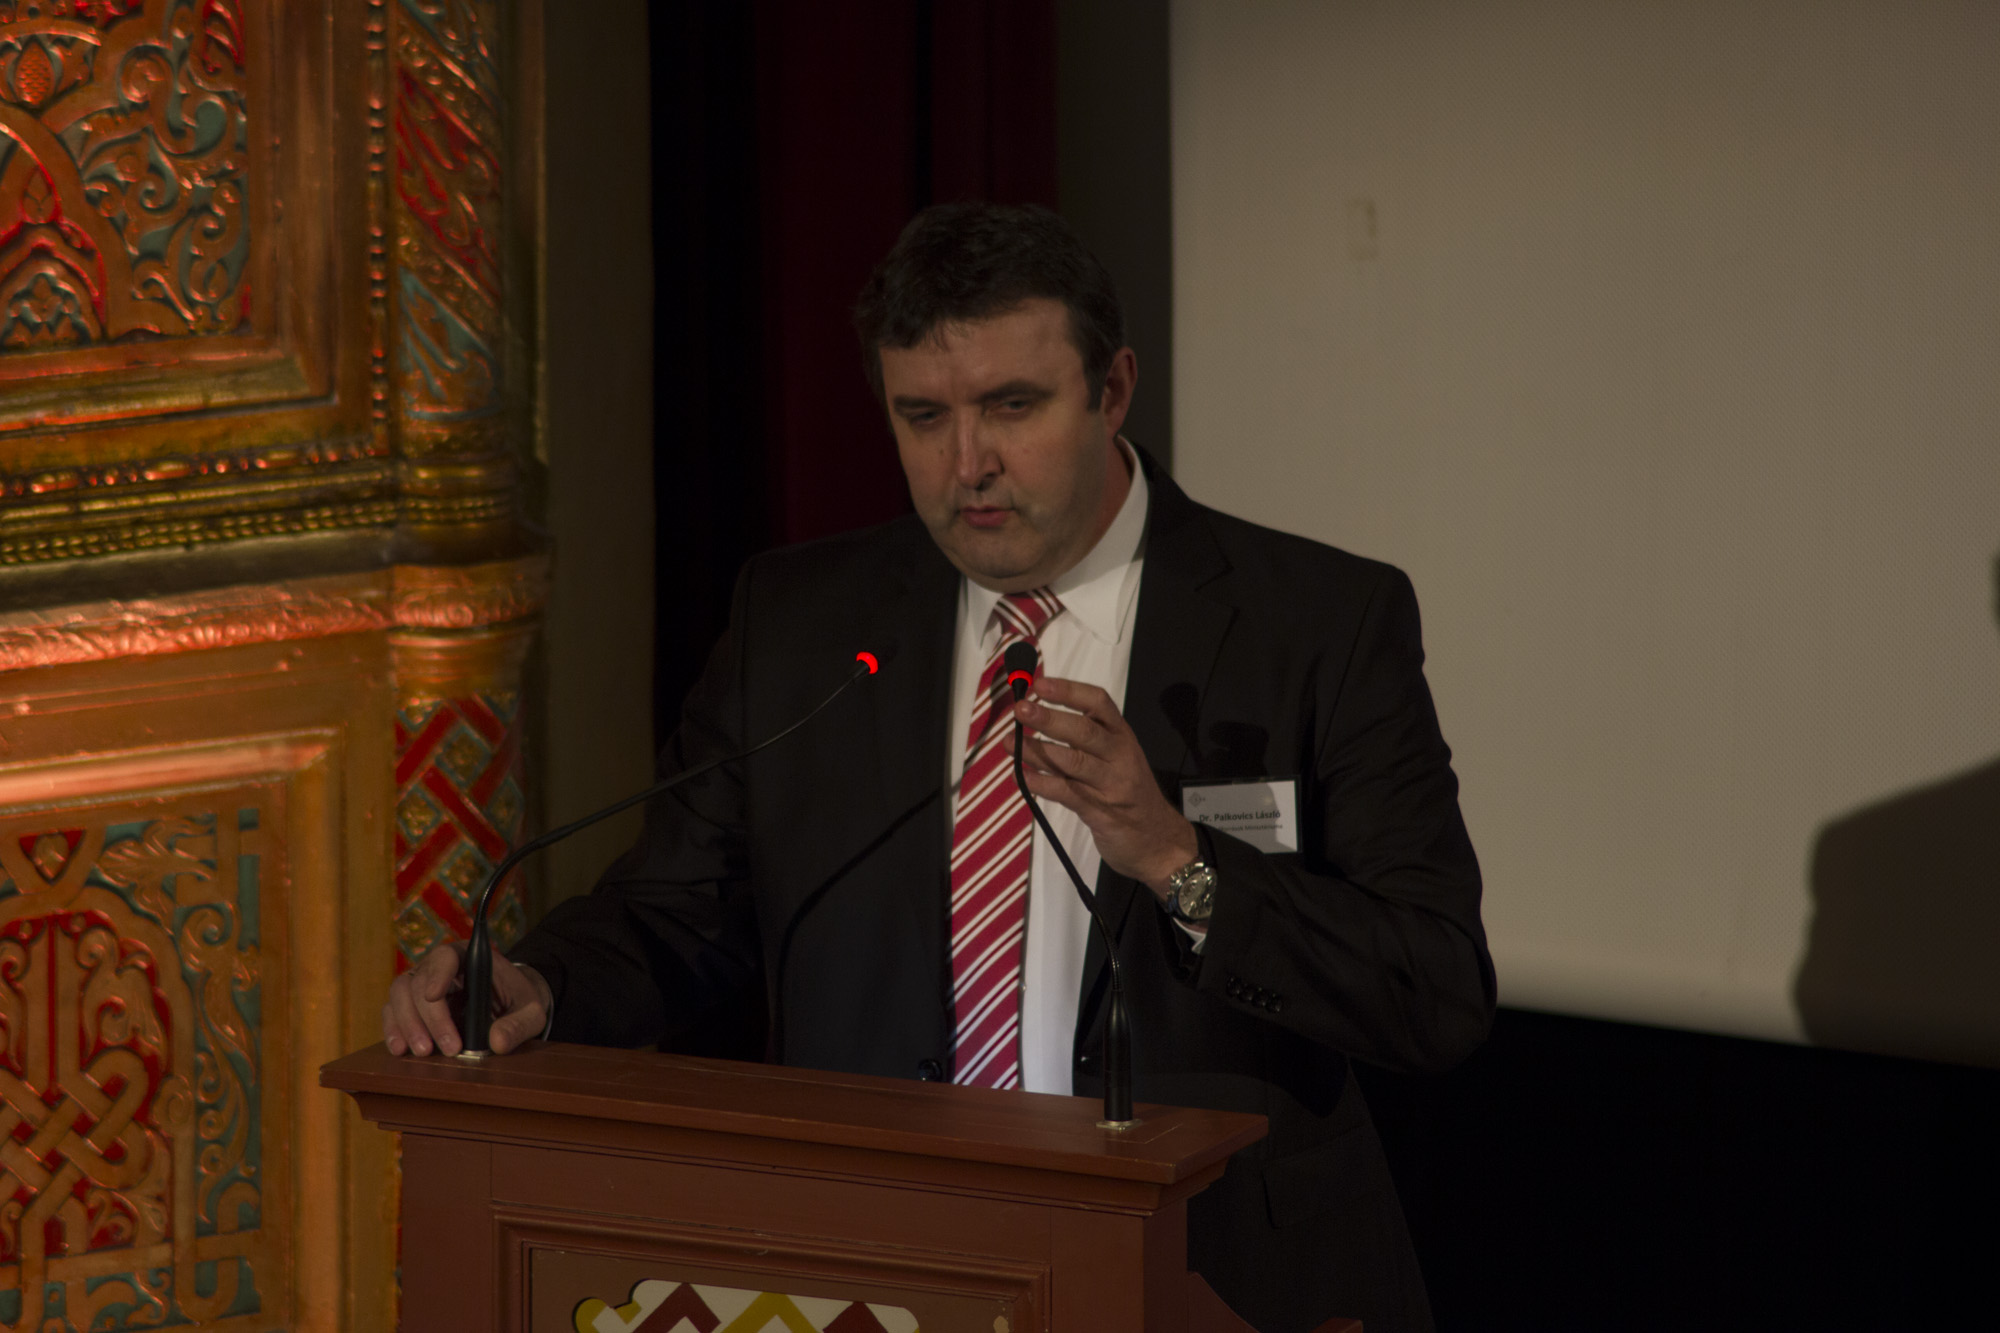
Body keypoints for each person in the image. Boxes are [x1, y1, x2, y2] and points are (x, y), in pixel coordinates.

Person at [383, 202, 1494, 1333]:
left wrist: (1177, 861)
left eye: (1012, 405)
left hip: (1217, 1281)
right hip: (879, 1275)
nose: (968, 465)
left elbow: (1433, 991)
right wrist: (541, 983)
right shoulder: (803, 625)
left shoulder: (1313, 624)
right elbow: (674, 910)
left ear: (1112, 390)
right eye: (923, 416)